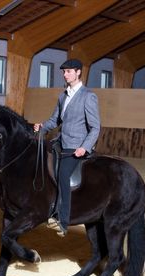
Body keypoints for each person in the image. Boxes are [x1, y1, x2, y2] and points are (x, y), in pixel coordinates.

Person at [34, 58, 100, 237]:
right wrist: (42, 126)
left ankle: (63, 221)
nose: (65, 74)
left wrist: (84, 147)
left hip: (76, 147)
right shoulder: (63, 95)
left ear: (78, 72)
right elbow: (55, 120)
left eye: (69, 71)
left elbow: (95, 127)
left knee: (63, 175)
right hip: (60, 143)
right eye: (64, 72)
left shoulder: (88, 96)